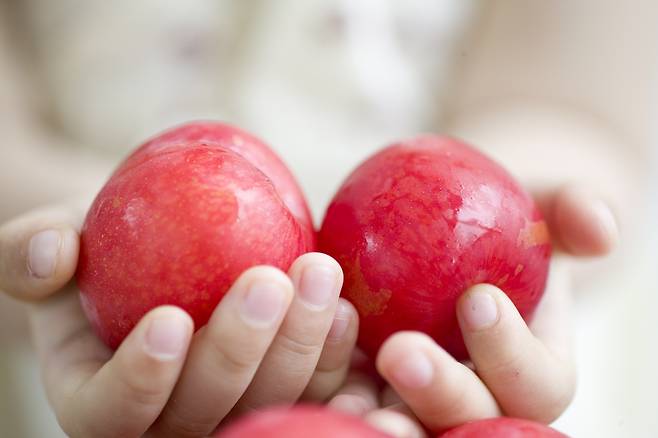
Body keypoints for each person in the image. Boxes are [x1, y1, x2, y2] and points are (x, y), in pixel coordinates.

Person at [0, 1, 653, 437]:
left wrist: (523, 208)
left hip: (461, 387)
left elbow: (570, 101)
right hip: (93, 377)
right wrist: (70, 247)